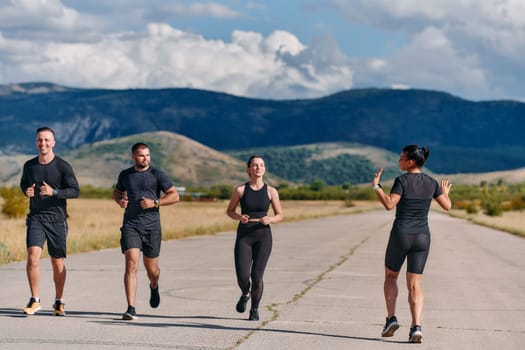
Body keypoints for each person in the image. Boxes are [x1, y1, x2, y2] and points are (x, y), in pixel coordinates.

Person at [372, 144, 452, 343]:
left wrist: (377, 187)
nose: (398, 160)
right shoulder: (431, 182)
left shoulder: (402, 180)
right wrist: (445, 192)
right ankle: (416, 327)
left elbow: (390, 204)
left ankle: (391, 319)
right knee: (415, 283)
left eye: (401, 158)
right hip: (422, 237)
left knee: (391, 277)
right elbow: (448, 206)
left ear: (410, 162)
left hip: (401, 235)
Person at [113, 142, 179, 320]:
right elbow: (117, 192)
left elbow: (175, 195)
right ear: (134, 156)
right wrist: (120, 201)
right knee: (131, 263)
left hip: (152, 227)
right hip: (131, 225)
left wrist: (155, 202)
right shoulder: (126, 175)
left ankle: (154, 285)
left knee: (152, 270)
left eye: (148, 155)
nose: (146, 158)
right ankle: (131, 308)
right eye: (142, 155)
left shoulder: (157, 175)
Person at [20, 126, 80, 316]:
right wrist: (26, 191)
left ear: (53, 143)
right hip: (36, 218)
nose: (43, 143)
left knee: (57, 262)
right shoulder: (29, 166)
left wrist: (54, 192)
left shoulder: (62, 166)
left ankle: (59, 301)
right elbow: (24, 183)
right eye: (40, 140)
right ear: (36, 142)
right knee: (32, 257)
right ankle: (35, 299)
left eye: (47, 140)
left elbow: (75, 191)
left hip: (57, 220)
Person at [226, 155, 283, 321]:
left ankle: (254, 309)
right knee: (243, 276)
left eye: (261, 165)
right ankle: (245, 293)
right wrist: (239, 217)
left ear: (264, 169)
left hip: (264, 236)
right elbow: (230, 211)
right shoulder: (240, 190)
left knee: (257, 276)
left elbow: (280, 215)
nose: (258, 168)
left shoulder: (271, 191)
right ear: (248, 169)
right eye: (255, 165)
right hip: (244, 236)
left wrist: (270, 219)